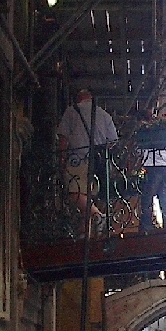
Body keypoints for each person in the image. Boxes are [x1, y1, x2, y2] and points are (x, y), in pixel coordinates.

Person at [57, 89, 118, 234]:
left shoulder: (71, 111)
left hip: (77, 160)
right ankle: (84, 233)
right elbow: (113, 140)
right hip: (97, 163)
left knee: (74, 193)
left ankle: (98, 216)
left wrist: (61, 158)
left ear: (79, 98)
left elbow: (63, 138)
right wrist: (100, 150)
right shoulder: (105, 115)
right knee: (86, 196)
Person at [139, 146, 166, 231]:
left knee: (147, 200)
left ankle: (146, 226)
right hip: (165, 165)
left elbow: (140, 150)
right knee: (163, 200)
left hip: (152, 166)